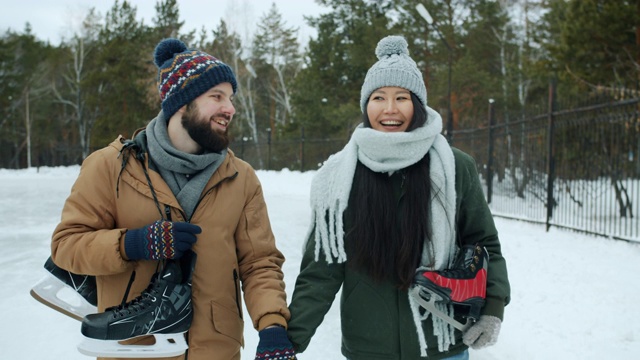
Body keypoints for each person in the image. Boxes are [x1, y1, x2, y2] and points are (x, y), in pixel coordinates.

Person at [50, 38, 296, 360]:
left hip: (217, 351)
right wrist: (132, 244)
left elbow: (259, 262)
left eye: (231, 98)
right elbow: (66, 246)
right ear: (182, 102)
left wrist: (272, 324)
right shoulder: (111, 166)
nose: (231, 109)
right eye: (217, 97)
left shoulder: (241, 177)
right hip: (134, 349)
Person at [286, 35, 510, 359]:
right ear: (366, 105)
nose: (390, 109)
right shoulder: (338, 176)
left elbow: (484, 242)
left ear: (417, 104)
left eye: (401, 97)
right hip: (368, 348)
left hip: (442, 343)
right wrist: (290, 341)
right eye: (379, 97)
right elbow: (322, 269)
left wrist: (493, 308)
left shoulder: (455, 166)